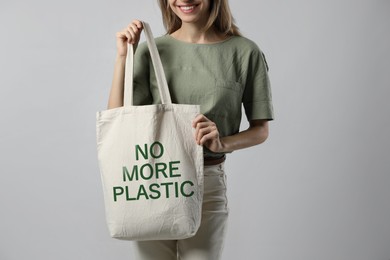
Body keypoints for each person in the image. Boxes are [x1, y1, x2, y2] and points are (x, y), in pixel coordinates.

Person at [107, 0, 274, 259]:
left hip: (206, 183)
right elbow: (118, 120)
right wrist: (122, 57)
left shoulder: (244, 52)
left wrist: (223, 143)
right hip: (153, 180)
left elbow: (261, 129)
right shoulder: (152, 51)